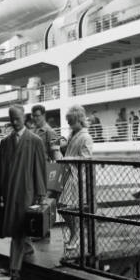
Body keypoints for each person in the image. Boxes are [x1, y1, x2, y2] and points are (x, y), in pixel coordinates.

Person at [0, 104, 47, 280]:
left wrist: (40, 192)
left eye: (17, 118)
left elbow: (40, 168)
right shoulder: (5, 142)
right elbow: (1, 169)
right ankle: (25, 256)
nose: (15, 122)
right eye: (12, 119)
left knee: (18, 230)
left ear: (24, 117)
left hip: (27, 190)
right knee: (19, 229)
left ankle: (14, 267)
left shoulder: (35, 141)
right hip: (10, 191)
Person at [57, 105, 94, 246]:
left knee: (69, 208)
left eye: (71, 122)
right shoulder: (73, 134)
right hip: (68, 175)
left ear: (79, 120)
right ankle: (75, 234)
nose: (69, 125)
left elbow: (86, 158)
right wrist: (63, 147)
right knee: (64, 207)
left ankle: (75, 235)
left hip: (76, 177)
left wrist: (67, 158)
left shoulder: (86, 137)